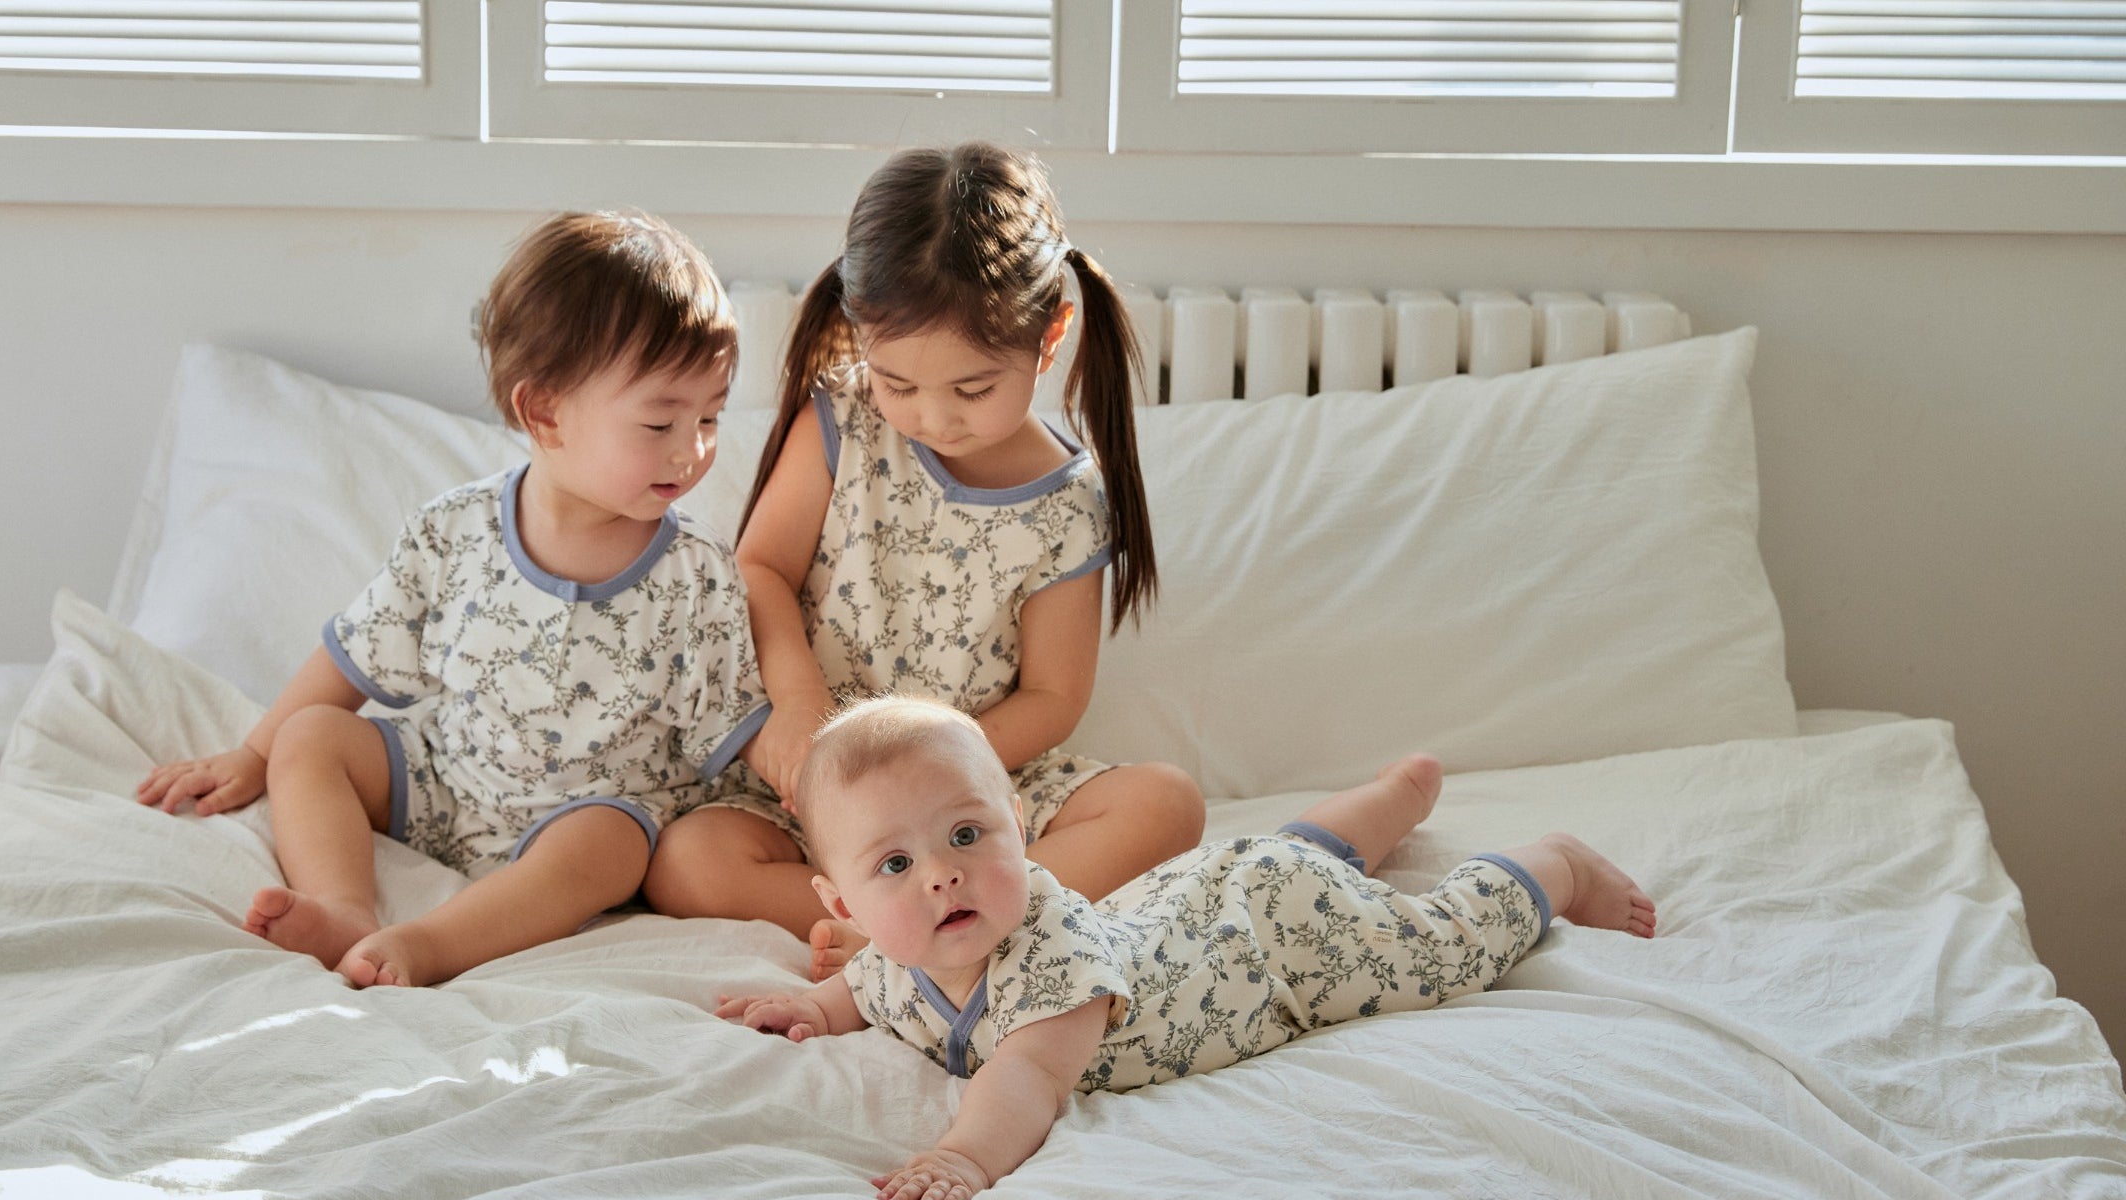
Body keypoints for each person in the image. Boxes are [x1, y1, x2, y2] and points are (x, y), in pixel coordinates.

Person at [134, 211, 771, 989]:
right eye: (660, 420)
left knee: (611, 846)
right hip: (449, 779)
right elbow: (357, 654)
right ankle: (342, 908)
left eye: (710, 417)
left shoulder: (695, 572)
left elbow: (734, 734)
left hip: (592, 812)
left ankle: (433, 943)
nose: (693, 448)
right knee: (311, 736)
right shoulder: (454, 531)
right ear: (544, 412)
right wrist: (253, 752)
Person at [718, 697, 1657, 1200]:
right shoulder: (895, 953)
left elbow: (1026, 1084)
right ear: (840, 901)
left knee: (1428, 955)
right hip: (1209, 897)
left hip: (1278, 953)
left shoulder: (1053, 963)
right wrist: (811, 1008)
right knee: (1286, 860)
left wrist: (961, 1162)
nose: (941, 877)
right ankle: (1392, 803)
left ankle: (1551, 869)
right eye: (895, 863)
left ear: (1016, 823)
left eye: (968, 835)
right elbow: (870, 990)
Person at [644, 142, 1206, 979]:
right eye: (898, 382)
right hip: (819, 784)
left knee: (1168, 806)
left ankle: (906, 926)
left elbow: (1054, 696)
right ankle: (899, 918)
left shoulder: (1066, 506)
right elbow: (759, 570)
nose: (932, 417)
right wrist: (799, 715)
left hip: (964, 804)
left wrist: (937, 771)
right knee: (684, 859)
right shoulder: (843, 421)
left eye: (972, 389)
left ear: (1050, 335)